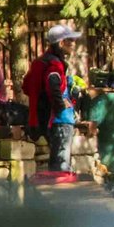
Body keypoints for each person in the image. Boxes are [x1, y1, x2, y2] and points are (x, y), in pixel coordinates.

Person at [23, 24, 82, 173]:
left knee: (56, 164)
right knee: (60, 167)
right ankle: (61, 195)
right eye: (70, 40)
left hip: (46, 120)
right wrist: (62, 105)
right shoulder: (54, 64)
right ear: (61, 43)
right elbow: (52, 85)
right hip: (59, 121)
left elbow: (26, 86)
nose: (73, 44)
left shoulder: (41, 62)